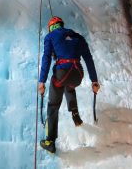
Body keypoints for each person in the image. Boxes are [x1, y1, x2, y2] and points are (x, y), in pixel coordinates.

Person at [38, 16, 100, 153]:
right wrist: (94, 81)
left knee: (53, 105)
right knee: (69, 85)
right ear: (61, 25)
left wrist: (41, 81)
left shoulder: (50, 36)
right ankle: (75, 115)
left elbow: (46, 58)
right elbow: (88, 59)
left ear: (51, 27)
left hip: (62, 72)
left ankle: (50, 141)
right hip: (77, 74)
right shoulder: (78, 37)